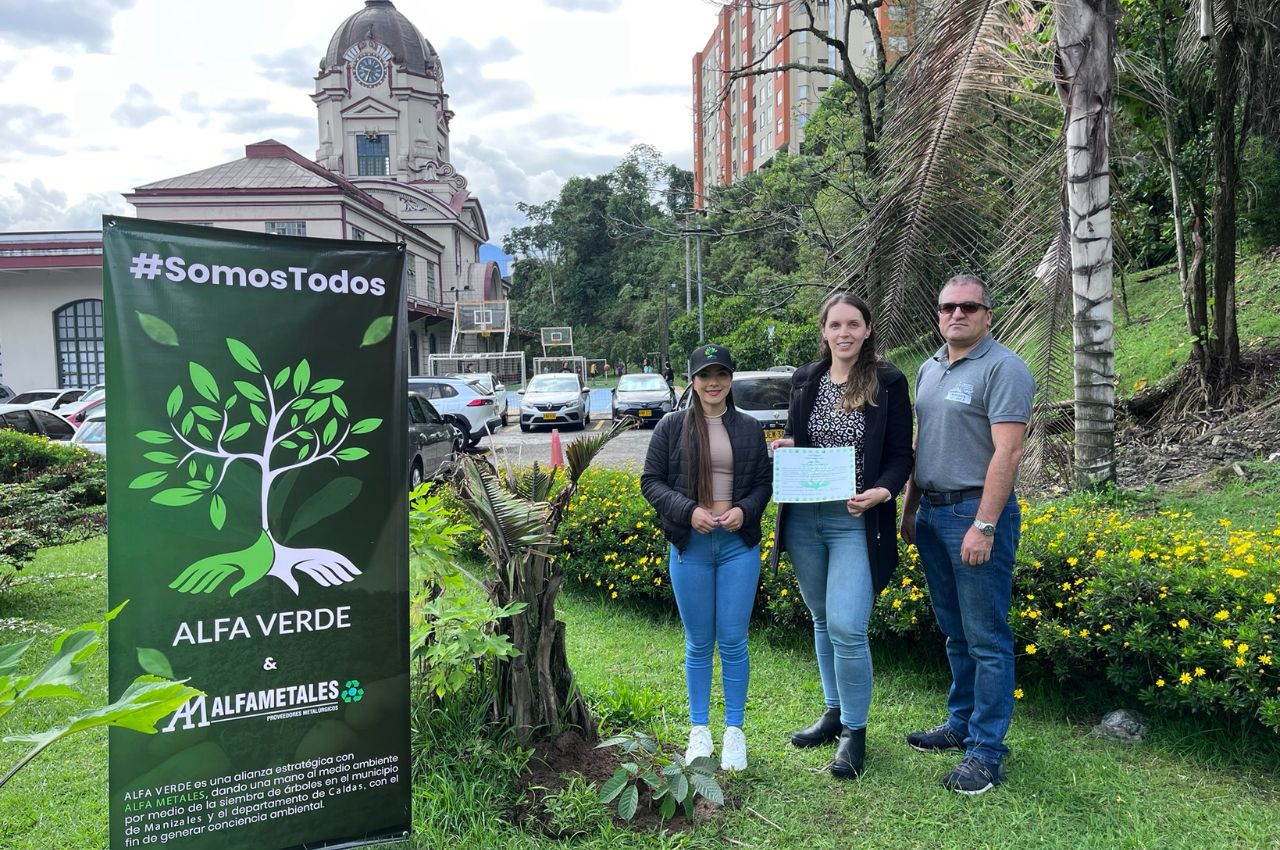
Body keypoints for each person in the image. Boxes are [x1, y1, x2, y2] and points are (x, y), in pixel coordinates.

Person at [899, 273, 1034, 795]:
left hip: (975, 514)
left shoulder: (1004, 368)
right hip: (932, 512)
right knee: (955, 630)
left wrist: (984, 524)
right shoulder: (929, 369)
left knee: (987, 638)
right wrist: (911, 509)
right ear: (938, 313)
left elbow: (1009, 452)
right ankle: (960, 723)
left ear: (987, 315)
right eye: (948, 306)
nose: (958, 314)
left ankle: (986, 752)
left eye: (969, 308)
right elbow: (921, 444)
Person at [769, 293, 913, 779]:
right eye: (836, 324)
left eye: (854, 323)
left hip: (856, 518)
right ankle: (833, 713)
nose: (845, 332)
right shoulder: (806, 379)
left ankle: (855, 730)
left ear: (868, 329)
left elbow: (900, 455)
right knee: (822, 618)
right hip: (806, 518)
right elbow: (800, 440)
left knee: (849, 625)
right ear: (824, 330)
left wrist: (882, 491)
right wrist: (787, 447)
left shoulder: (888, 381)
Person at [641, 343, 771, 772]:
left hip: (738, 548)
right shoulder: (671, 427)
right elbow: (651, 483)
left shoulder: (750, 429)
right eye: (704, 375)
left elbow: (762, 486)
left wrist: (743, 511)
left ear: (731, 380)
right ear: (692, 381)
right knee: (698, 642)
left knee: (732, 640)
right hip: (690, 546)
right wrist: (689, 511)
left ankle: (735, 731)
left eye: (721, 375)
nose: (713, 383)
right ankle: (700, 729)